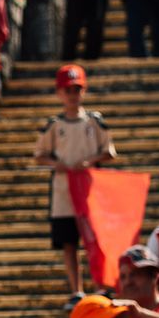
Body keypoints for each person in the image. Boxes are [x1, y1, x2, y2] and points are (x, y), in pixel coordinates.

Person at [34, 64, 116, 301]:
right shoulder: (54, 125)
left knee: (94, 239)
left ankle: (101, 284)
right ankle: (76, 289)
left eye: (77, 90)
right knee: (69, 242)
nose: (73, 95)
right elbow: (39, 154)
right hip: (63, 190)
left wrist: (90, 161)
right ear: (60, 93)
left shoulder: (94, 121)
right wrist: (55, 164)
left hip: (90, 188)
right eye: (68, 90)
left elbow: (109, 151)